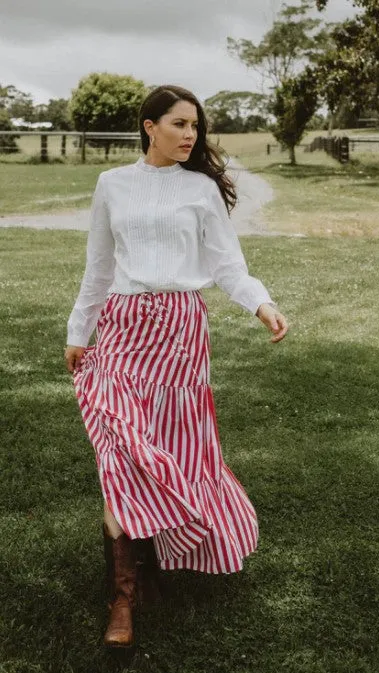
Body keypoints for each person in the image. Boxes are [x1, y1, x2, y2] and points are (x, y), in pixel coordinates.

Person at [64, 84, 288, 649]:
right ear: (149, 125)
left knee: (174, 447)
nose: (190, 134)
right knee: (118, 442)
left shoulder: (201, 190)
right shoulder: (112, 184)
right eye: (179, 123)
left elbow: (228, 264)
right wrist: (78, 330)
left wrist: (261, 303)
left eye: (195, 126)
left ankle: (160, 549)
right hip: (122, 327)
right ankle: (123, 595)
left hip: (182, 334)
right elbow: (98, 265)